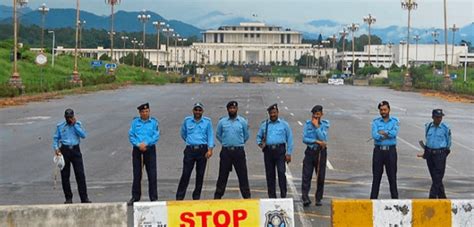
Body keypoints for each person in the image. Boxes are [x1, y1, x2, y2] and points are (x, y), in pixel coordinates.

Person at [176, 102, 214, 200]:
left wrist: (210, 149)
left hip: (202, 150)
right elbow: (183, 134)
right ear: (193, 111)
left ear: (202, 111)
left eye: (199, 110)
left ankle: (196, 197)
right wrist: (190, 142)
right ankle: (179, 197)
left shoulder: (207, 122)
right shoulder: (187, 121)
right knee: (186, 174)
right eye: (196, 110)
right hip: (190, 150)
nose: (197, 112)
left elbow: (210, 136)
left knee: (200, 175)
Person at [52, 108, 91, 204]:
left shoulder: (78, 125)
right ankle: (68, 198)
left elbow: (83, 135)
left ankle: (84, 198)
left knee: (80, 174)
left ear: (73, 117)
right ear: (65, 117)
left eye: (70, 117)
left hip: (75, 150)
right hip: (64, 150)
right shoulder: (60, 126)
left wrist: (75, 125)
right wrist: (56, 148)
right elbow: (55, 138)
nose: (69, 119)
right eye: (67, 118)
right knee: (65, 176)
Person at [214, 101, 251, 199]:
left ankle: (247, 198)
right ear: (227, 110)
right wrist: (226, 142)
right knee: (222, 176)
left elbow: (246, 135)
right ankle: (217, 198)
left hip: (238, 151)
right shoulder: (222, 122)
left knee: (243, 175)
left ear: (237, 109)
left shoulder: (242, 121)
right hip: (226, 152)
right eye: (230, 108)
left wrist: (238, 143)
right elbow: (218, 135)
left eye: (234, 108)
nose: (232, 110)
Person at [256, 103, 294, 198]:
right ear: (269, 114)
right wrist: (261, 145)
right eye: (271, 113)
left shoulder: (284, 124)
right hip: (268, 152)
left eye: (274, 112)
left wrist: (288, 153)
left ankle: (283, 195)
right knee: (270, 175)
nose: (273, 115)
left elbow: (289, 139)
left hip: (280, 151)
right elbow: (258, 137)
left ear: (278, 112)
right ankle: (272, 197)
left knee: (281, 173)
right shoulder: (264, 125)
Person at [128, 103, 160, 205]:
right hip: (137, 150)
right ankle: (135, 197)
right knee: (137, 174)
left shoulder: (154, 122)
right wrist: (138, 144)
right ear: (140, 113)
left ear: (149, 111)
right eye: (143, 112)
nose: (145, 113)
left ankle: (153, 197)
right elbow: (131, 135)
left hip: (149, 149)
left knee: (152, 174)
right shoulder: (135, 122)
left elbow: (156, 136)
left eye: (147, 111)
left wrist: (146, 143)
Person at [417, 109, 451, 199]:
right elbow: (428, 140)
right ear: (433, 117)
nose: (439, 119)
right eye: (437, 117)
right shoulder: (428, 126)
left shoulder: (445, 128)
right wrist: (426, 153)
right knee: (435, 178)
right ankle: (442, 198)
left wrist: (443, 154)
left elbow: (449, 142)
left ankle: (432, 197)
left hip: (440, 154)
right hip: (430, 154)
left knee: (437, 177)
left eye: (440, 117)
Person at [370, 101, 399, 199]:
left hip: (391, 152)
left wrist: (382, 133)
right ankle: (373, 201)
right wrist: (387, 134)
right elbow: (375, 135)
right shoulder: (375, 122)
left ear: (389, 110)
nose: (383, 112)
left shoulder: (395, 121)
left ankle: (395, 201)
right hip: (378, 152)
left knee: (392, 178)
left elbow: (394, 133)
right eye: (381, 110)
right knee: (376, 177)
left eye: (385, 109)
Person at [301, 105, 330, 207]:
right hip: (310, 151)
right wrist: (315, 141)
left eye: (318, 114)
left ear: (322, 114)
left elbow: (323, 138)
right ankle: (305, 197)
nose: (316, 117)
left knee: (320, 176)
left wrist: (317, 126)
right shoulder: (308, 124)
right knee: (306, 175)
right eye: (314, 114)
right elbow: (305, 139)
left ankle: (318, 198)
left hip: (320, 152)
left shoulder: (325, 124)